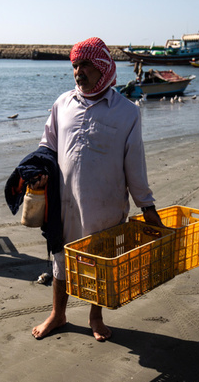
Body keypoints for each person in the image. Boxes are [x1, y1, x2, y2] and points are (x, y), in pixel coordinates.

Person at [28, 37, 162, 341]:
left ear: (102, 66)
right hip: (64, 205)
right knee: (60, 261)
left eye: (85, 65)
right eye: (75, 65)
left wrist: (147, 207)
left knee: (100, 265)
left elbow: (135, 166)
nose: (78, 72)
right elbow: (47, 145)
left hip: (105, 206)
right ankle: (58, 315)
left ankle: (95, 317)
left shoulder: (127, 113)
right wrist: (37, 171)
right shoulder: (62, 104)